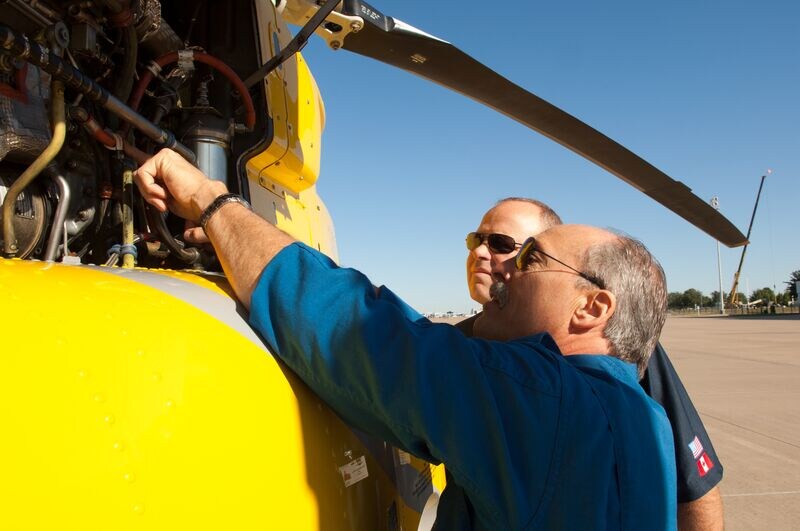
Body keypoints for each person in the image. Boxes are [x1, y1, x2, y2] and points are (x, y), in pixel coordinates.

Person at [135, 149, 677, 530]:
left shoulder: (543, 401)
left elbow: (363, 334)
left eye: (531, 259)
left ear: (593, 307)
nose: (506, 270)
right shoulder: (643, 419)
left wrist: (212, 202)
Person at [462, 198, 724, 530]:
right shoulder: (467, 339)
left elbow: (694, 483)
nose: (480, 254)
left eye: (501, 244)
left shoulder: (611, 352)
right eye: (476, 240)